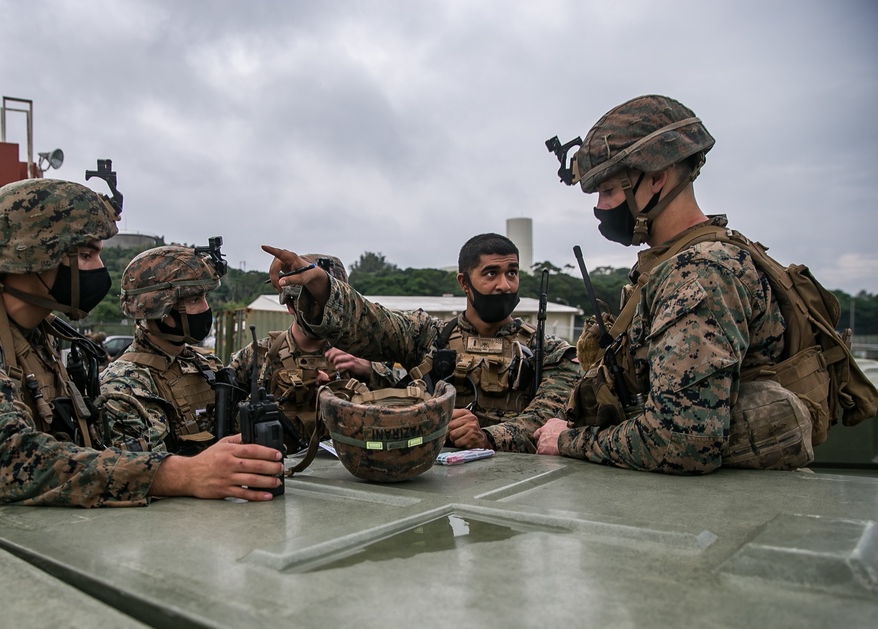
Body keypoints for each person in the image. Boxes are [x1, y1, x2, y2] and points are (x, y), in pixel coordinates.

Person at [0, 179, 281, 527]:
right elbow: (5, 461)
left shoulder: (39, 335)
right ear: (32, 255)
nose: (99, 268)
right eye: (87, 254)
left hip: (16, 537)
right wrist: (179, 473)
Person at [534, 94, 791, 473]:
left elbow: (680, 442)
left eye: (608, 191)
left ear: (656, 178)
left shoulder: (700, 273)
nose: (601, 208)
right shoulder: (673, 265)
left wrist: (567, 440)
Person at [263, 233, 580, 454]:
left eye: (512, 273)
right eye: (491, 273)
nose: (504, 285)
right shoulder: (429, 334)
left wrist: (487, 437)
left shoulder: (548, 351)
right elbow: (375, 324)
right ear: (464, 282)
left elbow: (547, 419)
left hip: (516, 489)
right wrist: (320, 283)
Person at [229, 253, 397, 454]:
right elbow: (226, 420)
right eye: (315, 305)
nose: (325, 315)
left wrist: (368, 370)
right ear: (291, 306)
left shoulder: (362, 353)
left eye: (331, 305)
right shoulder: (258, 356)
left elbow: (400, 406)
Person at [100, 244, 227, 456]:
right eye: (195, 299)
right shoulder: (122, 385)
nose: (206, 308)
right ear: (161, 309)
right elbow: (142, 472)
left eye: (205, 297)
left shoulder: (208, 365)